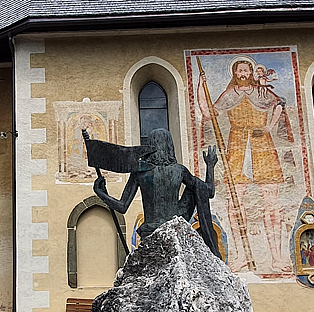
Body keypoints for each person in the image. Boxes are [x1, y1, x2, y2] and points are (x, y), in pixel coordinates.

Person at [195, 57, 289, 271]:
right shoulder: (230, 95)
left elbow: (280, 105)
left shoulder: (261, 93)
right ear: (234, 74)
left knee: (271, 203)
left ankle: (277, 258)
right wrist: (201, 86)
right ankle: (241, 255)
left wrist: (269, 127)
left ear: (252, 72)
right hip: (237, 146)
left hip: (262, 146)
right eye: (240, 71)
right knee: (234, 204)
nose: (243, 74)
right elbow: (208, 112)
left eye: (247, 70)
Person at [92, 129, 220, 256]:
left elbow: (122, 206)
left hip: (149, 232)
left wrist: (101, 193)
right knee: (196, 188)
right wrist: (210, 166)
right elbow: (208, 191)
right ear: (170, 146)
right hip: (174, 229)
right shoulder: (179, 170)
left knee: (196, 187)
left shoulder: (140, 171)